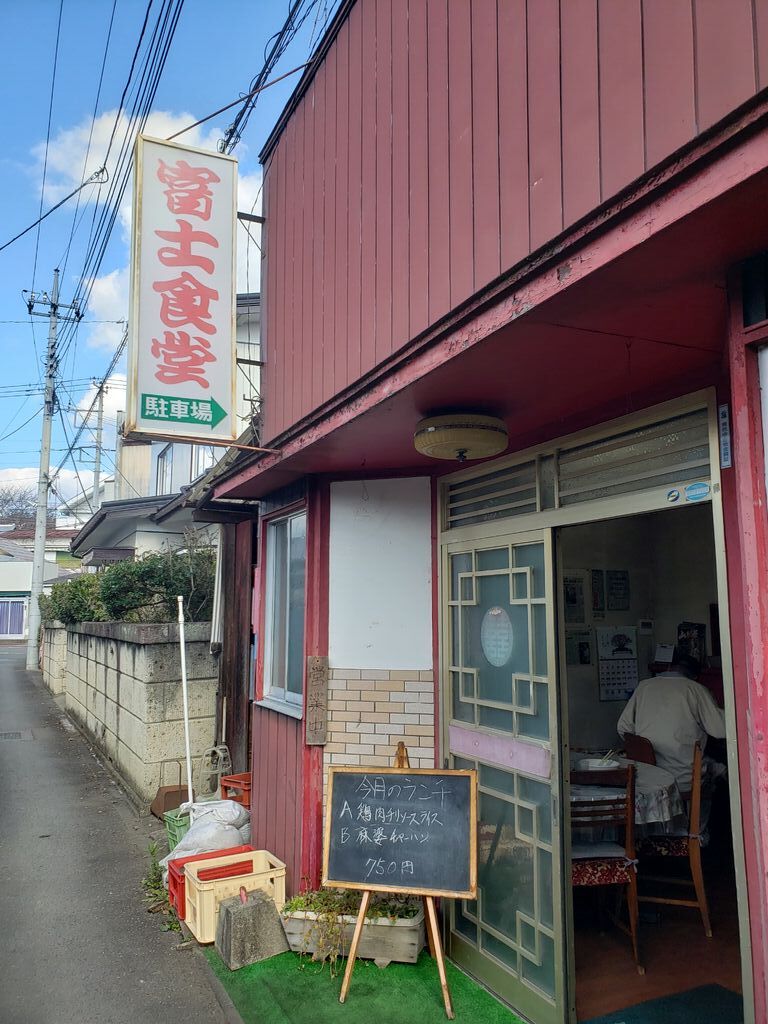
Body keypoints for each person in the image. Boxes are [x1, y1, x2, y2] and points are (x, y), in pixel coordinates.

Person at [617, 653, 725, 792]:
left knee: (713, 766)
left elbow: (623, 728)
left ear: (669, 668)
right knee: (720, 773)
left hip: (645, 777)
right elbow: (720, 729)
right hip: (683, 779)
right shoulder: (695, 689)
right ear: (695, 677)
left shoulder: (644, 686)